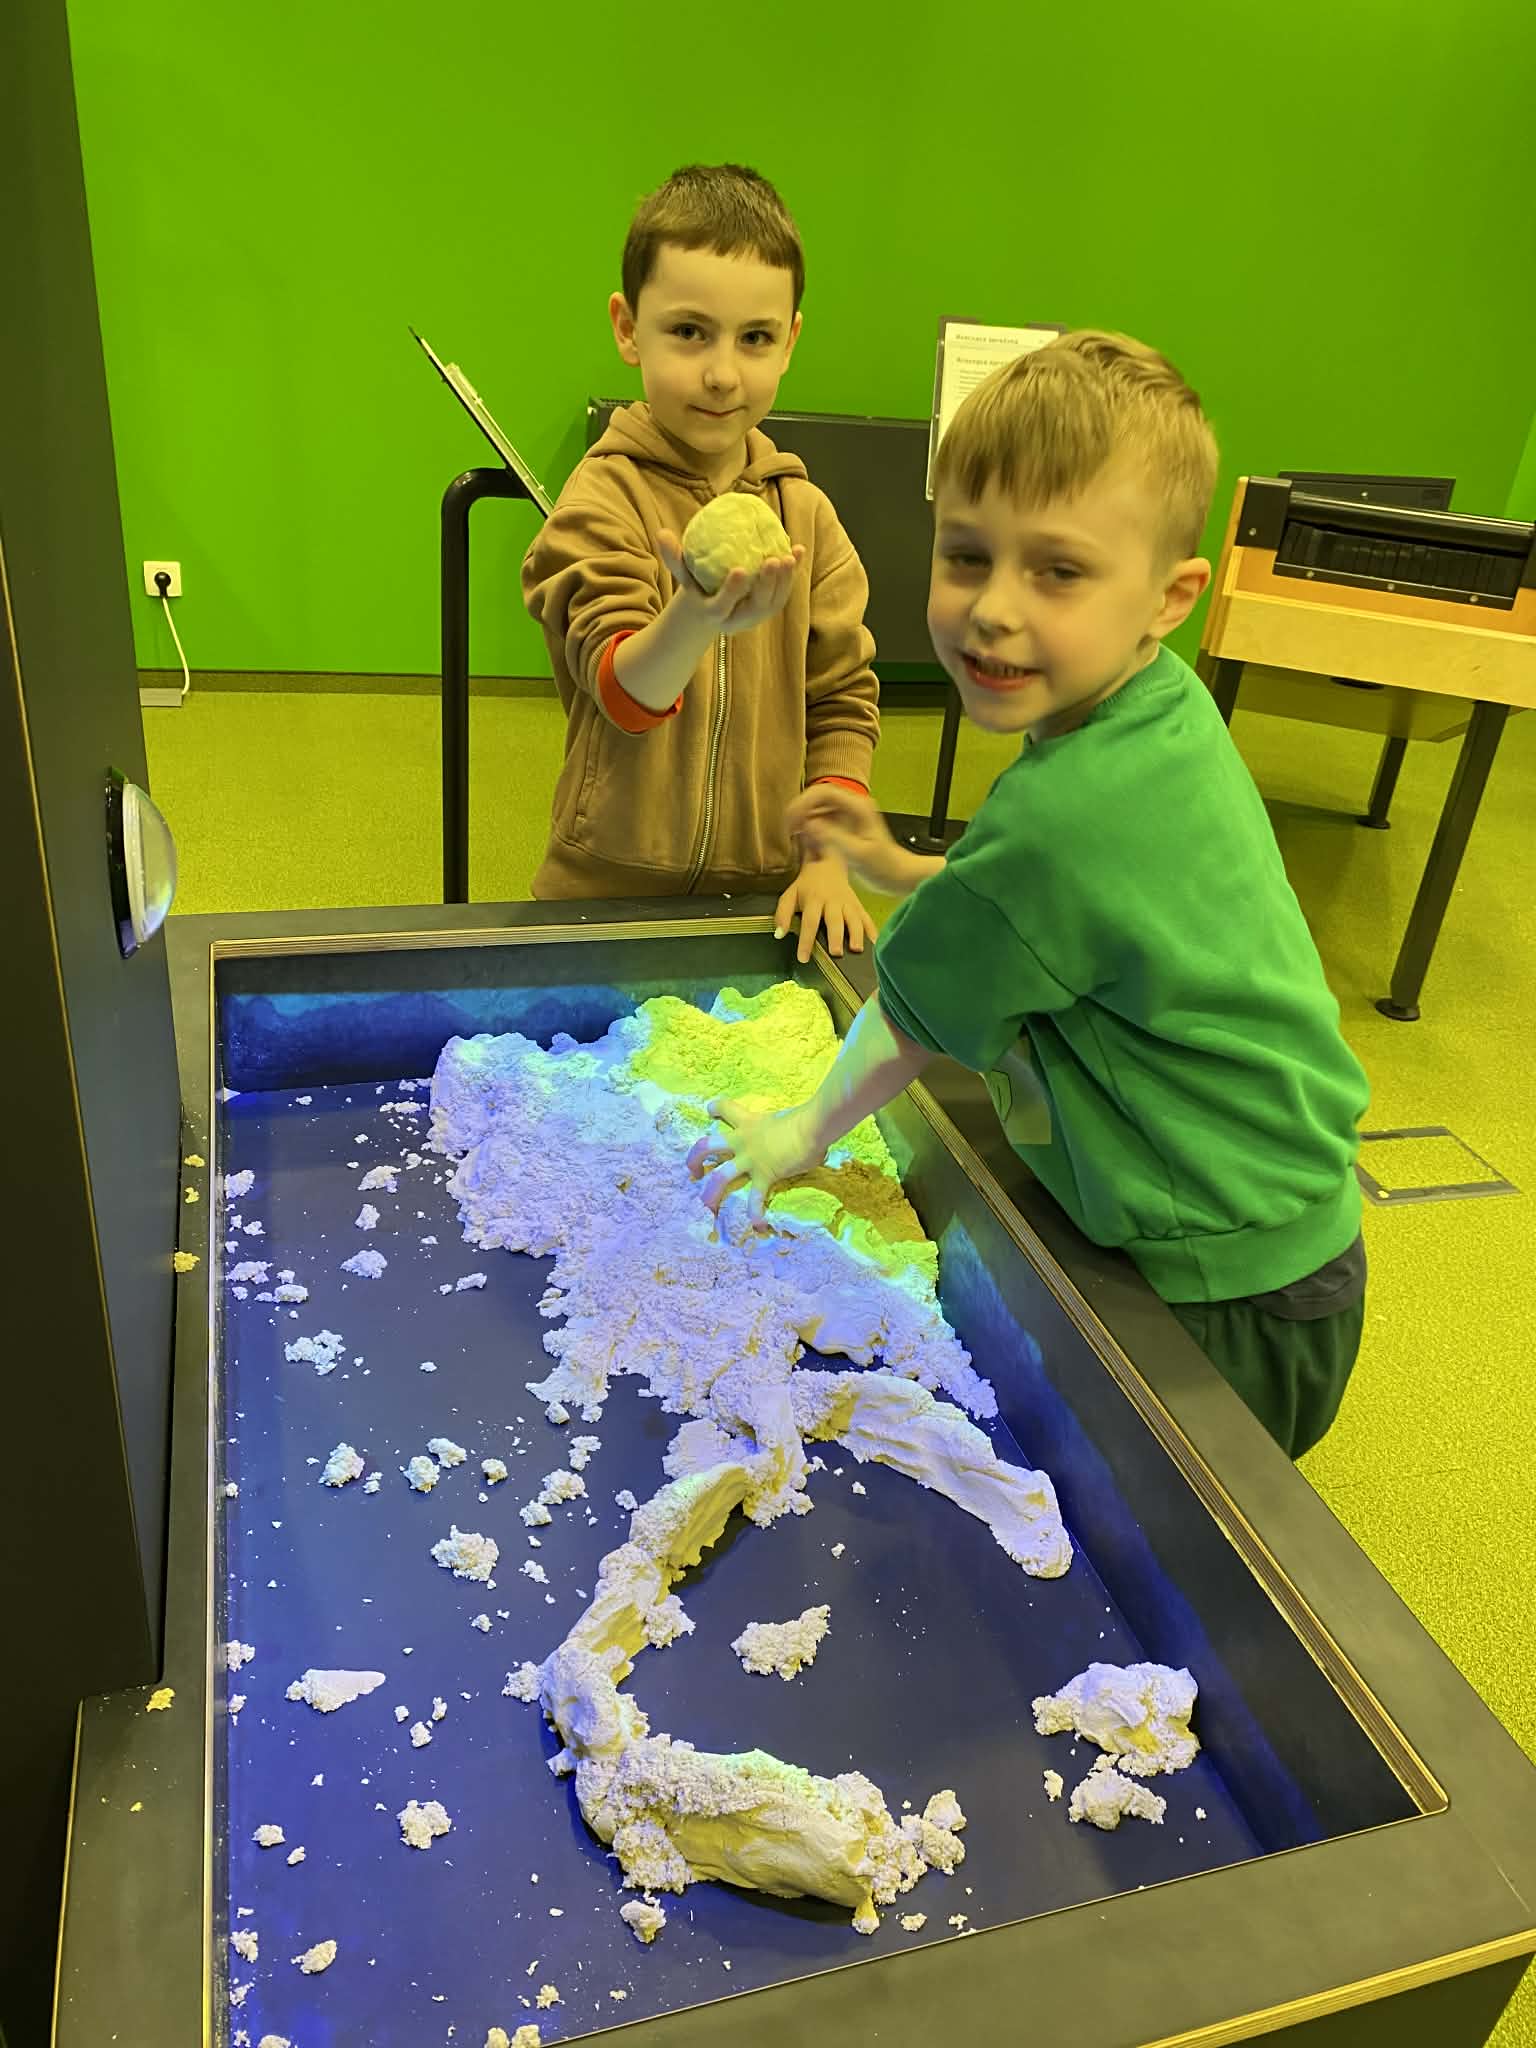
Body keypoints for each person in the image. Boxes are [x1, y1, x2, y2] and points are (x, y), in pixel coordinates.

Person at [689, 330, 1370, 1461]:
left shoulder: (1063, 815)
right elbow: (1070, 917)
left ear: (1169, 597)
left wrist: (795, 1134)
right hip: (1296, 1228)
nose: (994, 608)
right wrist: (903, 867)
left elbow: (914, 1016)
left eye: (1058, 571)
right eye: (967, 555)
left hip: (1222, 1290)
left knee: (1151, 1509)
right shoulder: (1159, 711)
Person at [521, 163, 879, 961]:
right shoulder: (604, 497)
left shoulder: (807, 518)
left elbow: (841, 703)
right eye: (689, 332)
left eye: (754, 338)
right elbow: (625, 692)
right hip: (603, 893)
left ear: (789, 341)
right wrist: (696, 616)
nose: (722, 373)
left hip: (762, 898)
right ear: (628, 328)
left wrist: (826, 862)